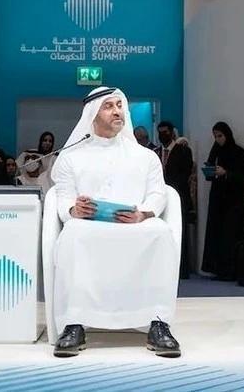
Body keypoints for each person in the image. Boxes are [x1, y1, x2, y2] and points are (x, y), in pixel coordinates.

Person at [50, 86, 181, 358]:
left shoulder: (145, 156)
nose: (117, 111)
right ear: (92, 114)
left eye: (120, 105)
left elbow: (158, 194)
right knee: (72, 234)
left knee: (160, 232)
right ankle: (74, 324)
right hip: (88, 224)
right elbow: (63, 199)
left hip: (135, 223)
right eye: (109, 106)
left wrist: (142, 213)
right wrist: (75, 209)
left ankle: (158, 322)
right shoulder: (70, 157)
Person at [201, 122, 244, 281]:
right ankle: (218, 269)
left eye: (220, 136)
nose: (218, 139)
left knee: (231, 235)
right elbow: (210, 172)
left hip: (233, 201)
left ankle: (232, 270)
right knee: (217, 233)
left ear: (227, 135)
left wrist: (226, 173)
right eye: (215, 136)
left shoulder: (239, 153)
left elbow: (243, 176)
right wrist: (210, 171)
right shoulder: (216, 151)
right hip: (218, 198)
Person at [154, 121, 194, 279]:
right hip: (158, 196)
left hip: (178, 195)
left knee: (179, 231)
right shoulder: (155, 152)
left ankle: (181, 269)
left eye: (165, 132)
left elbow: (185, 173)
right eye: (160, 132)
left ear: (171, 133)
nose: (162, 135)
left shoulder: (183, 151)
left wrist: (170, 186)